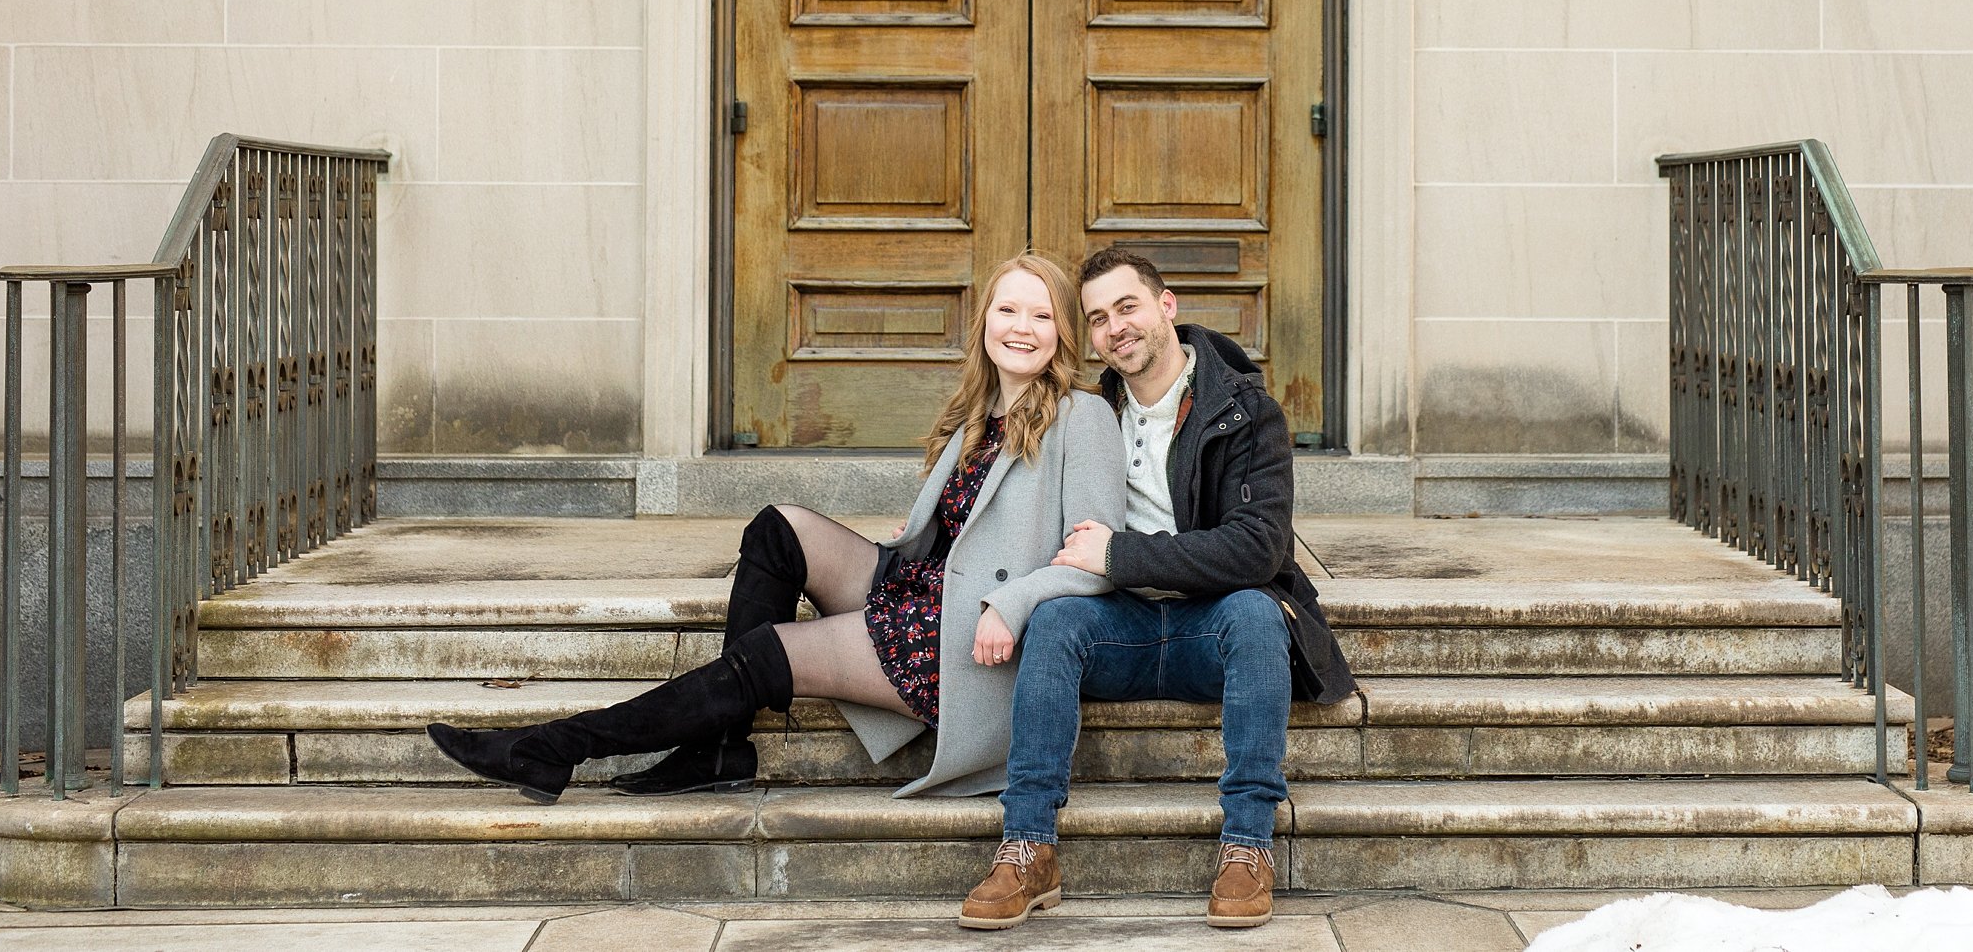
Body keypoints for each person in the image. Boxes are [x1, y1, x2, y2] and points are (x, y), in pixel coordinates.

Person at [426, 253, 1127, 804]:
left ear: (1064, 331)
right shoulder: (982, 410)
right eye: (1008, 308)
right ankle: (722, 746)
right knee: (778, 528)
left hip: (974, 645)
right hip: (929, 594)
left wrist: (1010, 601)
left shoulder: (1083, 415)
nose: (1021, 326)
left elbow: (1098, 558)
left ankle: (554, 746)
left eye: (1040, 315)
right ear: (985, 321)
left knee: (767, 653)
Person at [957, 247, 1355, 933]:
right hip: (1122, 627)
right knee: (1055, 623)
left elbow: (1257, 547)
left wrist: (1120, 552)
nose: (1116, 327)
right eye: (1098, 317)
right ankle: (1027, 848)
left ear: (1166, 304)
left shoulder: (1245, 409)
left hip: (1215, 626)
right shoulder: (1086, 410)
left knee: (1259, 614)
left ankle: (1248, 843)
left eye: (1128, 306)